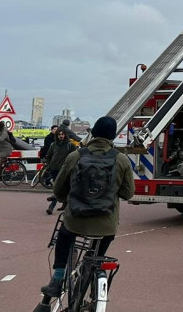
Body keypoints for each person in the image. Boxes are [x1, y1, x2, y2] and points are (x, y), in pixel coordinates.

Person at [34, 116, 134, 312]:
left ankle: (57, 278)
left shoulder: (76, 156)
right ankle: (92, 266)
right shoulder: (120, 159)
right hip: (106, 224)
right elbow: (128, 193)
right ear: (112, 136)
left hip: (76, 220)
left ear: (93, 133)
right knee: (101, 246)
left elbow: (59, 189)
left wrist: (67, 199)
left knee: (64, 236)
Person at [43, 128, 76, 214]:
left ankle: (51, 207)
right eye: (59, 134)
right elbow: (48, 156)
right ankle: (65, 203)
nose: (61, 136)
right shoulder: (53, 145)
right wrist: (50, 165)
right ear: (56, 136)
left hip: (64, 171)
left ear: (65, 135)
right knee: (61, 188)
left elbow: (75, 157)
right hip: (54, 169)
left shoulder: (70, 145)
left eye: (62, 134)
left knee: (57, 188)